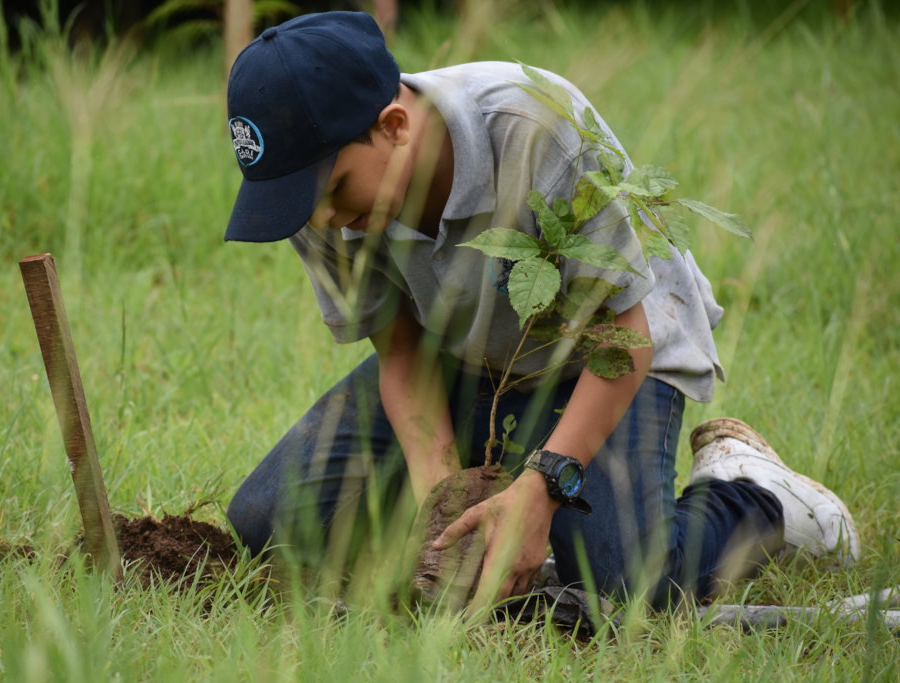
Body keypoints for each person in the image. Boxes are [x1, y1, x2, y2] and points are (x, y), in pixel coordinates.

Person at [222, 11, 859, 607]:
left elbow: (624, 333)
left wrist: (542, 488)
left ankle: (755, 493)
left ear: (394, 126)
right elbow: (402, 348)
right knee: (269, 522)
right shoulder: (316, 201)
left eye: (334, 190)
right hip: (465, 358)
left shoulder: (532, 127)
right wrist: (443, 503)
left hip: (605, 352)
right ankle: (515, 515)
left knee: (626, 586)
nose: (326, 220)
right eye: (305, 203)